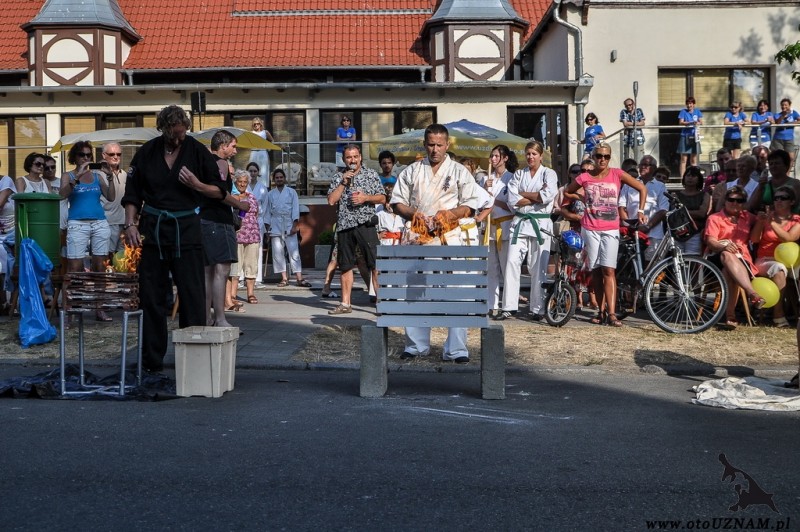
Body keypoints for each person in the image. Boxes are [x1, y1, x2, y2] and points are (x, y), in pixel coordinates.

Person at [122, 104, 227, 373]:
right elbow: (132, 193)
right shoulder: (147, 153)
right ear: (163, 128)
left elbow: (219, 191)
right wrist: (130, 224)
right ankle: (151, 360)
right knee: (151, 297)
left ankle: (193, 361)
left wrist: (197, 185)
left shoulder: (197, 151)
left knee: (192, 297)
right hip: (154, 230)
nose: (179, 139)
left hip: (187, 231)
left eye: (183, 133)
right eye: (174, 134)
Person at [390, 124, 479, 363]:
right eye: (431, 145)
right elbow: (396, 202)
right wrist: (414, 214)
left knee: (457, 293)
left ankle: (456, 349)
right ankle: (416, 345)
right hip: (419, 236)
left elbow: (471, 205)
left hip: (450, 237)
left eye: (439, 145)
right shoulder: (411, 171)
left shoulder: (459, 171)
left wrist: (450, 214)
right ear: (424, 144)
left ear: (447, 145)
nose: (435, 149)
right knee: (415, 292)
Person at [565, 142, 647, 327]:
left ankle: (612, 313)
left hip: (610, 228)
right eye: (599, 156)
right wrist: (582, 198)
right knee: (595, 270)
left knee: (609, 270)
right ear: (593, 157)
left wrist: (640, 211)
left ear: (610, 158)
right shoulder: (585, 177)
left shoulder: (617, 173)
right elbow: (568, 191)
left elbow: (642, 188)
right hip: (590, 227)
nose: (602, 159)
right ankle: (600, 311)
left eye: (606, 156)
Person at [496, 141, 557, 321]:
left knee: (538, 266)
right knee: (511, 263)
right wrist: (536, 197)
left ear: (541, 156)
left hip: (540, 224)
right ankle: (509, 307)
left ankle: (538, 308)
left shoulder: (549, 173)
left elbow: (547, 196)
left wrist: (524, 194)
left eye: (534, 154)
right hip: (521, 223)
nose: (530, 157)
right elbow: (512, 200)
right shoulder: (519, 174)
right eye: (528, 154)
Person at [196, 130, 250, 326]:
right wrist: (240, 204)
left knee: (208, 272)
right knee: (221, 270)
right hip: (218, 221)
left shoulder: (204, 162)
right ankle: (219, 318)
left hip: (204, 219)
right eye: (233, 146)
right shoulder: (220, 163)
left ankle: (207, 318)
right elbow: (219, 193)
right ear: (223, 146)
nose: (235, 151)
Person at [59, 141, 115, 322]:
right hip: (77, 223)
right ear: (74, 157)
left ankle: (99, 308)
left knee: (100, 268)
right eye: (82, 155)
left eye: (88, 155)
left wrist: (110, 176)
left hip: (99, 223)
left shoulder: (97, 176)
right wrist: (77, 176)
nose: (85, 158)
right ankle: (71, 310)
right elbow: (62, 194)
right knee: (74, 269)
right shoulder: (68, 175)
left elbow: (111, 197)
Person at [327, 143, 384, 314]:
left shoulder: (371, 174)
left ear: (360, 157)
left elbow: (382, 198)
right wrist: (343, 183)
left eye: (355, 157)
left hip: (365, 223)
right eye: (349, 157)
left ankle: (381, 304)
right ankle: (345, 304)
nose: (352, 160)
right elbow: (331, 200)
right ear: (343, 159)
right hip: (345, 225)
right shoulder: (338, 177)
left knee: (375, 264)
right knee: (345, 265)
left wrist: (366, 198)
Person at [704, 185, 766, 329]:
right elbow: (711, 241)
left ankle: (730, 315)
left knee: (729, 271)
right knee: (727, 254)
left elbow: (756, 238)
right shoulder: (715, 218)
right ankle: (752, 293)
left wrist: (761, 220)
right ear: (725, 201)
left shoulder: (748, 217)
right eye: (731, 200)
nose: (735, 203)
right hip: (716, 257)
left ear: (744, 203)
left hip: (742, 259)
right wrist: (723, 247)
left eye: (739, 201)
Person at [750, 185, 800, 328]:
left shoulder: (796, 220)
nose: (779, 201)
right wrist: (761, 222)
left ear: (792, 201)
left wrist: (772, 223)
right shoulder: (766, 217)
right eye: (776, 198)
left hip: (791, 260)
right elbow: (754, 239)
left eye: (783, 198)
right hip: (766, 260)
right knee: (779, 268)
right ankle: (778, 314)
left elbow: (789, 238)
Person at [482, 145, 517, 316]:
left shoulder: (512, 178)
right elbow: (479, 204)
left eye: (497, 156)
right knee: (491, 268)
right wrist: (484, 190)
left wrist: (493, 200)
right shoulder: (486, 178)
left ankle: (508, 305)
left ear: (505, 158)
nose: (493, 159)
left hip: (505, 226)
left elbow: (513, 206)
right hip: (490, 226)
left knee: (506, 267)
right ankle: (491, 304)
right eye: (492, 156)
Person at [265, 168, 310, 288]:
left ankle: (299, 278)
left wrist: (295, 226)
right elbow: (267, 212)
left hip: (289, 224)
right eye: (277, 178)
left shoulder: (291, 192)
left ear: (284, 178)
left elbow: (295, 209)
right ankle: (284, 278)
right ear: (274, 180)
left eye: (281, 177)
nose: (279, 179)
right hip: (275, 224)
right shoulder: (270, 194)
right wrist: (267, 229)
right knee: (277, 253)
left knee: (294, 252)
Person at [618, 155, 669, 262]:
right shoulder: (629, 184)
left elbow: (663, 210)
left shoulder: (660, 186)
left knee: (651, 266)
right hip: (632, 233)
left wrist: (648, 226)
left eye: (647, 165)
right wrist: (629, 227)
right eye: (642, 164)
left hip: (653, 234)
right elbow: (621, 206)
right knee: (632, 265)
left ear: (654, 168)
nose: (643, 167)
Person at [228, 170, 261, 306]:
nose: (242, 184)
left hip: (252, 235)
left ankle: (250, 293)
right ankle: (232, 295)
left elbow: (256, 213)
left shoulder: (252, 197)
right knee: (235, 268)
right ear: (235, 182)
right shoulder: (232, 197)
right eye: (240, 181)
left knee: (251, 266)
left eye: (245, 182)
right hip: (237, 235)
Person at [747, 149, 800, 214]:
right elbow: (751, 207)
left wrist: (767, 207)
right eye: (771, 164)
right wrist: (760, 188)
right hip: (767, 218)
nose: (773, 166)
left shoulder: (795, 184)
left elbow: (793, 205)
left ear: (786, 166)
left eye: (777, 163)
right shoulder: (764, 183)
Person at [675, 166, 710, 255]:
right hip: (678, 232)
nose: (690, 178)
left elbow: (702, 213)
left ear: (699, 179)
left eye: (693, 176)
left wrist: (682, 212)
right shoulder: (675, 195)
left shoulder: (704, 195)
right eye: (688, 175)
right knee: (677, 259)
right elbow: (673, 214)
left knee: (693, 259)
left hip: (696, 233)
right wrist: (693, 213)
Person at [100, 142, 127, 257]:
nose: (116, 157)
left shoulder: (124, 174)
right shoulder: (98, 174)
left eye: (118, 154)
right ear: (103, 155)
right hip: (106, 222)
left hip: (124, 222)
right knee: (107, 257)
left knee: (122, 258)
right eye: (111, 154)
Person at [0, 162, 14, 310]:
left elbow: (0, 203)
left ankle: (10, 304)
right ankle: (2, 303)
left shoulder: (6, 181)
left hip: (9, 234)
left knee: (7, 269)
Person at [678, 96, 703, 177]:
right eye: (688, 104)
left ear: (694, 104)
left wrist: (697, 123)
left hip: (694, 136)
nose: (689, 105)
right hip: (685, 136)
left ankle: (694, 177)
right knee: (683, 159)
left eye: (691, 103)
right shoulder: (683, 111)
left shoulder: (697, 111)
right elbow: (681, 122)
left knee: (693, 160)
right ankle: (682, 179)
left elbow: (701, 122)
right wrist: (690, 122)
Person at [772, 98, 800, 168]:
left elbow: (799, 120)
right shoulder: (777, 115)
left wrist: (791, 123)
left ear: (789, 105)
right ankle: (780, 173)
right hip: (778, 138)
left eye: (785, 105)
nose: (784, 106)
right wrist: (783, 116)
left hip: (789, 138)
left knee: (791, 158)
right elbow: (777, 123)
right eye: (782, 105)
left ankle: (787, 173)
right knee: (779, 158)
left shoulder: (794, 113)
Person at [375, 180, 404, 245]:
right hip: (385, 244)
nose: (388, 205)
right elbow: (373, 230)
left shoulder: (403, 214)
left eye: (391, 203)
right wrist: (378, 236)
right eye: (386, 202)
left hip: (400, 244)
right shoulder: (380, 214)